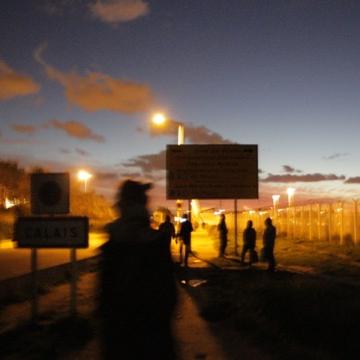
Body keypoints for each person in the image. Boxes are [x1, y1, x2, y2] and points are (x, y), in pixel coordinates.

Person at [99, 180, 177, 359]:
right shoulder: (156, 243)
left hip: (119, 341)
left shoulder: (112, 245)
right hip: (154, 340)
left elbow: (105, 300)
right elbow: (169, 297)